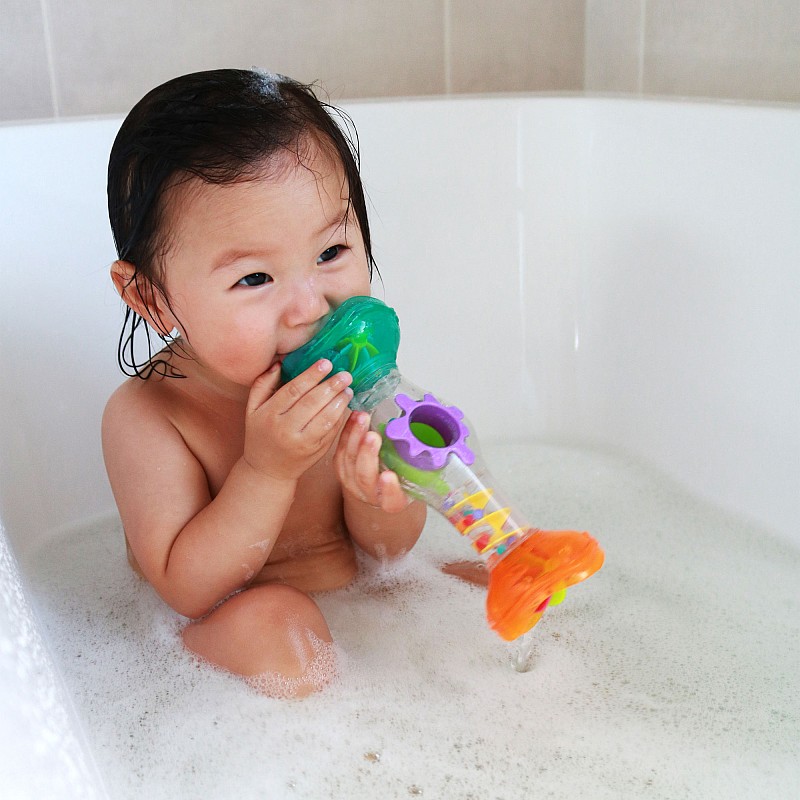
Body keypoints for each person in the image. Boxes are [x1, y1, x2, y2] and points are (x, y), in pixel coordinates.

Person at [102, 68, 427, 698]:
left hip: (357, 609)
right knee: (279, 627)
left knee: (495, 584)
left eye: (331, 253)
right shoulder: (153, 415)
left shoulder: (355, 379)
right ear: (151, 298)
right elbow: (186, 588)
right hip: (228, 626)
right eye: (254, 279)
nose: (310, 307)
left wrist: (376, 497)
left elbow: (388, 557)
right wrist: (267, 470)